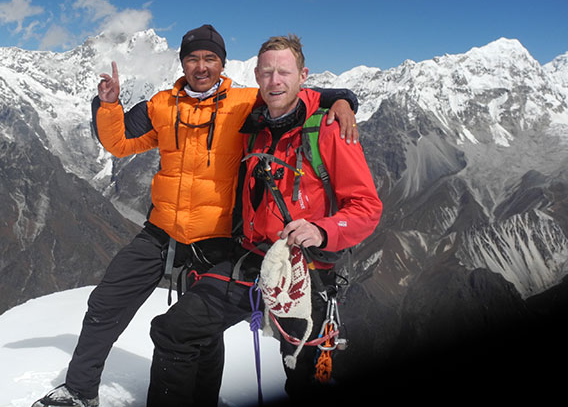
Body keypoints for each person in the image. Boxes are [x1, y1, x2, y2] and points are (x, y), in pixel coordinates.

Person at [32, 25, 360, 407]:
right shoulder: (161, 105)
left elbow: (294, 95)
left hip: (217, 238)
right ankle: (79, 390)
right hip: (161, 231)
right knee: (107, 302)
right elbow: (119, 142)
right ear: (183, 62)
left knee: (200, 330)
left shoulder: (246, 102)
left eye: (209, 58)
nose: (201, 66)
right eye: (192, 58)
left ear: (221, 63)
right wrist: (108, 106)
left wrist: (342, 100)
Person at [146, 34, 383, 406]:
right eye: (267, 72)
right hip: (250, 260)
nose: (275, 80)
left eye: (284, 72)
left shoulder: (330, 130)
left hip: (304, 272)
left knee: (304, 376)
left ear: (303, 75)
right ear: (256, 75)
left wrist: (321, 230)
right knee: (176, 330)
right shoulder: (252, 123)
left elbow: (366, 207)